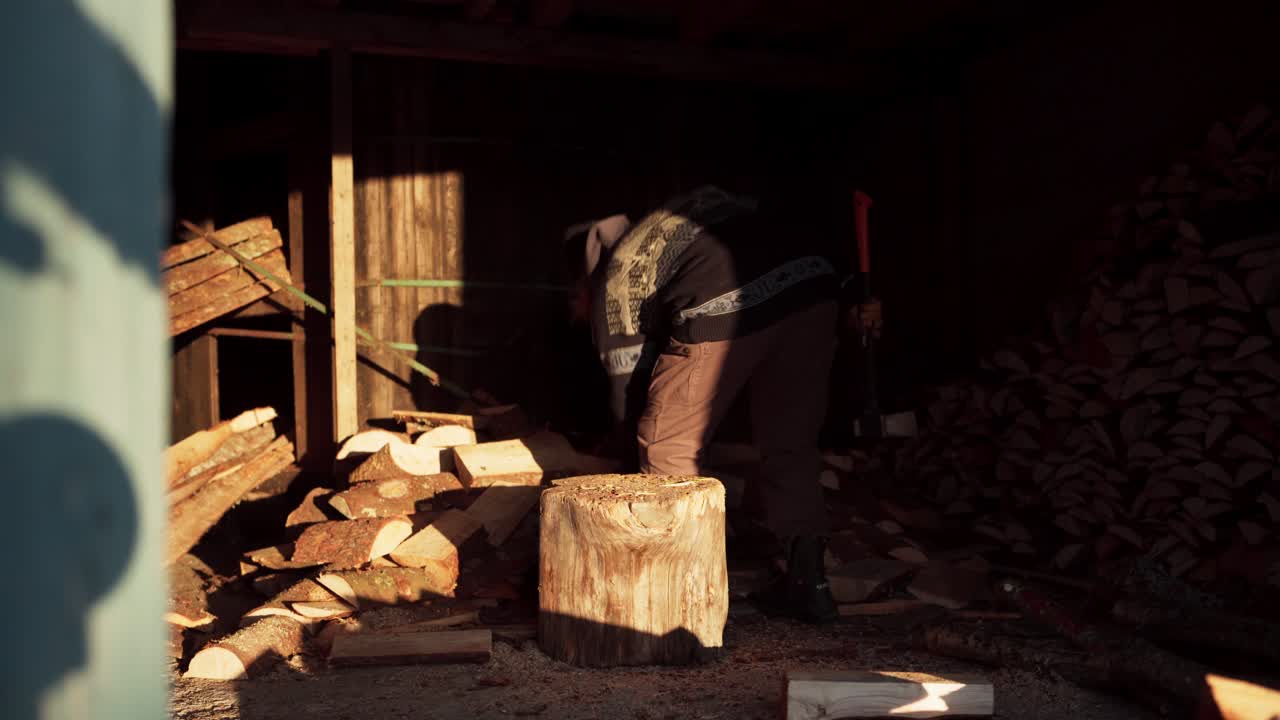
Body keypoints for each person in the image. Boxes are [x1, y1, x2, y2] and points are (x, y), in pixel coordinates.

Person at [564, 182, 882, 624]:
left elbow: (628, 392)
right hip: (815, 287)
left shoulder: (616, 277)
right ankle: (809, 586)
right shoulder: (686, 218)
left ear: (583, 279)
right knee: (789, 443)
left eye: (571, 301)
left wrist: (627, 461)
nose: (573, 311)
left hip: (723, 301)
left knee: (666, 446)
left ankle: (678, 601)